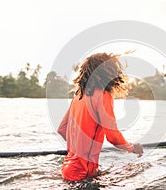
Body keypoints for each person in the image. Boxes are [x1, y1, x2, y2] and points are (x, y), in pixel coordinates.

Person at [57, 52, 143, 181]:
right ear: (107, 73)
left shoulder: (78, 97)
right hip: (83, 174)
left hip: (67, 170)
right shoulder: (103, 96)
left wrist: (78, 148)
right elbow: (113, 136)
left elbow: (62, 129)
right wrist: (132, 147)